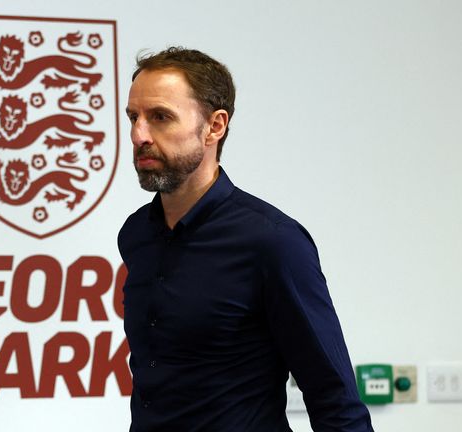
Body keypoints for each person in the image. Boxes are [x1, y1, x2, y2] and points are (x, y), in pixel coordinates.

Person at [117, 47, 373, 431]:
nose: (139, 135)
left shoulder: (272, 242)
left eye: (160, 117)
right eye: (133, 117)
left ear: (214, 126)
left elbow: (334, 397)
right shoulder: (136, 234)